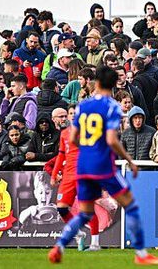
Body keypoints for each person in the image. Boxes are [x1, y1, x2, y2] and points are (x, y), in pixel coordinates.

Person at [48, 65, 158, 265]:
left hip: (82, 165)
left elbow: (74, 137)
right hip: (102, 164)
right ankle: (141, 255)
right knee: (131, 205)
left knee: (85, 213)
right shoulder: (112, 107)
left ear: (97, 82)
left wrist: (87, 148)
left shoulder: (83, 106)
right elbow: (111, 140)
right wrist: (129, 160)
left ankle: (59, 246)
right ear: (113, 85)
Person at [51, 105, 101, 252]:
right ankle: (78, 233)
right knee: (61, 208)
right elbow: (61, 155)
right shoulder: (65, 134)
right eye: (70, 113)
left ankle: (95, 244)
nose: (72, 116)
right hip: (68, 176)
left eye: (75, 113)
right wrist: (54, 174)